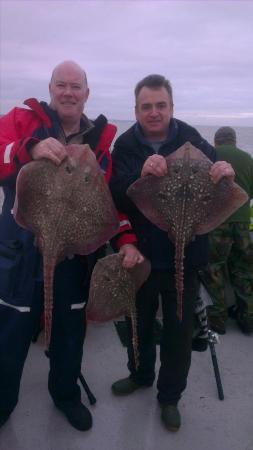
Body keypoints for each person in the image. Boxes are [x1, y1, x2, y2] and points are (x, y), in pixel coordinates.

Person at [0, 60, 144, 431]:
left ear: (86, 94)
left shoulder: (100, 145)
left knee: (69, 334)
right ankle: (2, 401)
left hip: (74, 257)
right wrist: (27, 148)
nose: (68, 92)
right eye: (61, 85)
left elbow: (106, 207)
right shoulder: (23, 120)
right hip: (22, 254)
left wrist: (126, 241)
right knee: (11, 334)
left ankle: (65, 395)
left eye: (75, 86)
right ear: (50, 90)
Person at [109, 74, 235, 432]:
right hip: (142, 257)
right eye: (146, 106)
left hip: (187, 256)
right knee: (139, 324)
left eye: (160, 105)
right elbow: (115, 195)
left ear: (171, 107)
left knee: (179, 335)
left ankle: (169, 397)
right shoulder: (126, 146)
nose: (153, 112)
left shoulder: (193, 140)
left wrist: (225, 174)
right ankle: (141, 374)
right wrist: (140, 173)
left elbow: (220, 191)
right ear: (135, 110)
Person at [202, 126, 253, 335]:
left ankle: (218, 321)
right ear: (234, 140)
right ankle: (248, 319)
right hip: (242, 222)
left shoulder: (211, 155)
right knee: (244, 270)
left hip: (218, 223)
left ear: (216, 141)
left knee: (214, 269)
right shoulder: (248, 158)